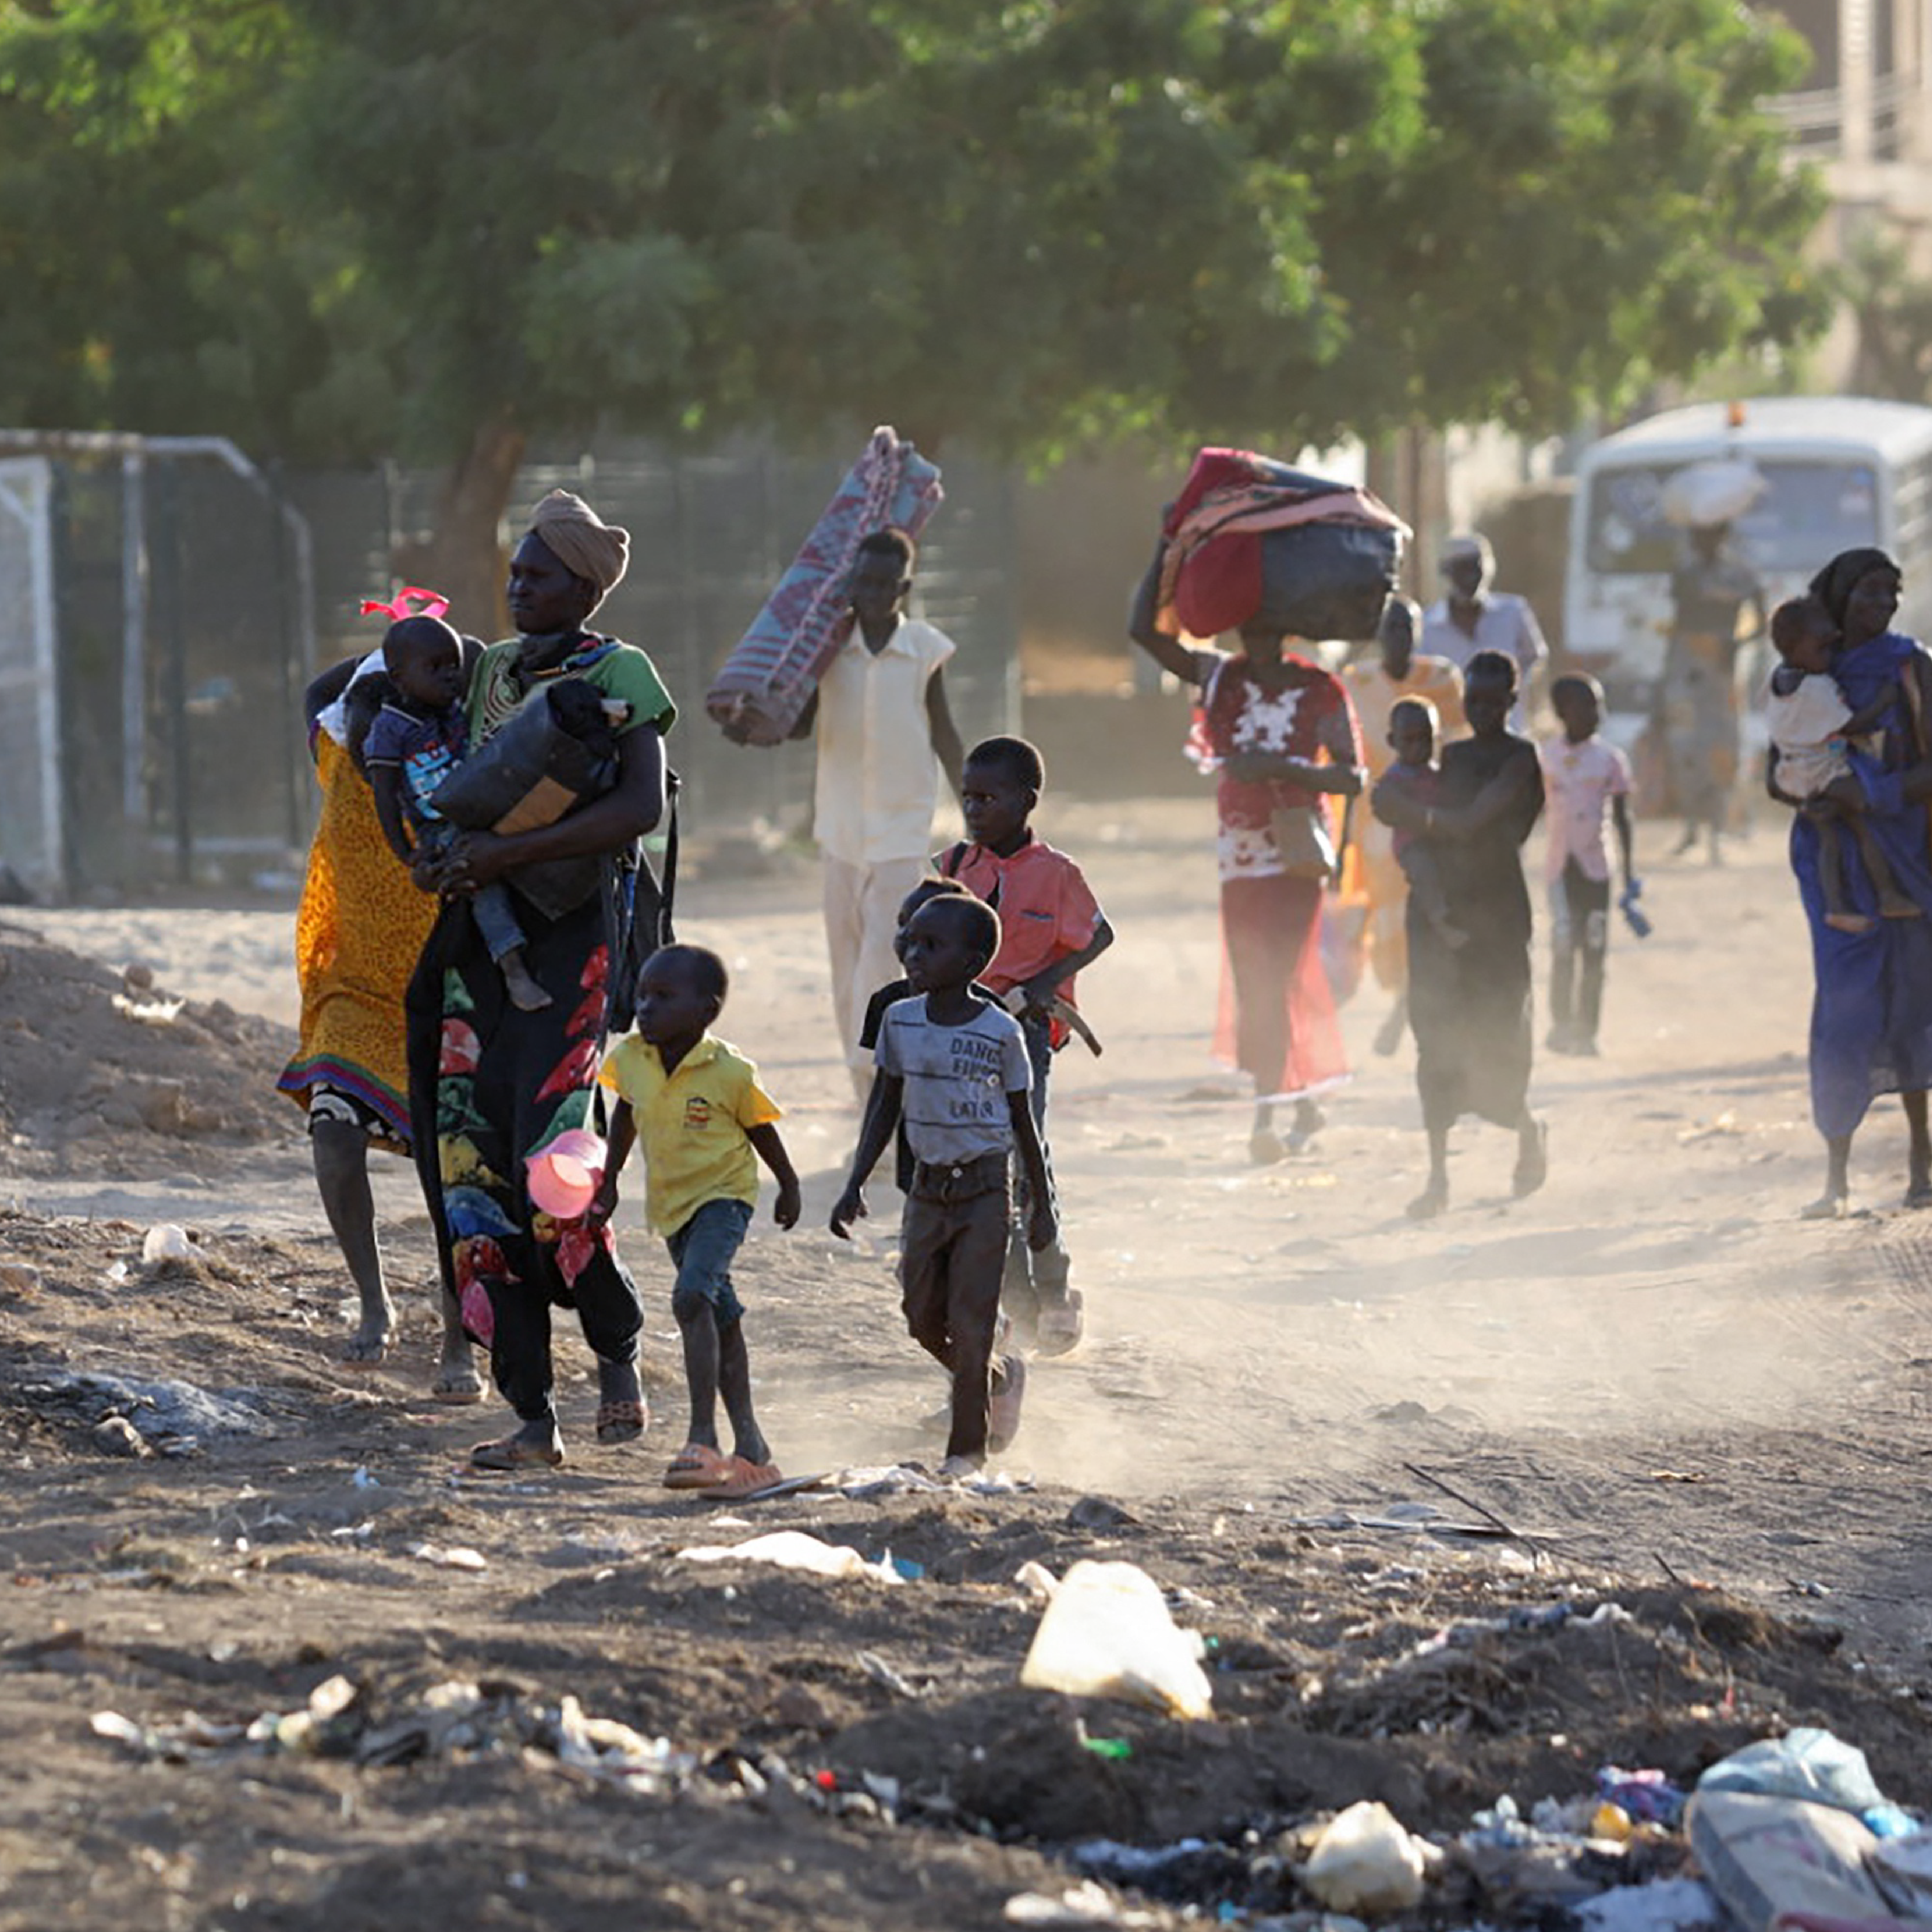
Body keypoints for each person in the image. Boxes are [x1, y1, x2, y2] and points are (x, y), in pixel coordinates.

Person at [407, 489, 675, 1472]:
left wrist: (506, 857)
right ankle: (531, 1412)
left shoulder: (621, 671)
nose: (518, 587)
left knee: (555, 1171)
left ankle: (616, 1349)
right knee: (472, 1174)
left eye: (538, 575)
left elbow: (638, 807)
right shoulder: (486, 672)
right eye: (514, 573)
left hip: (572, 942)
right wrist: (452, 859)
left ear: (584, 584)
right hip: (478, 950)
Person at [279, 630, 480, 1393]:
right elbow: (315, 694)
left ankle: (460, 1338)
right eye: (363, 725)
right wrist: (389, 645)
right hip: (355, 990)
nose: (372, 748)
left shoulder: (447, 765)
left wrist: (445, 644)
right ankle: (375, 1304)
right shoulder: (337, 754)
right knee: (332, 1134)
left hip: (446, 990)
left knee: (449, 1177)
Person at [1128, 599, 1363, 1166]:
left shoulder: (1319, 689)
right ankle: (1301, 1098)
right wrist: (1170, 543)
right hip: (1240, 853)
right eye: (1246, 628)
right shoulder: (1221, 678)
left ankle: (1267, 1110)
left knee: (1274, 973)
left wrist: (1284, 769)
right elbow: (1145, 635)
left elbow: (1352, 774)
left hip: (1296, 852)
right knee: (1255, 974)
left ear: (1286, 629)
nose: (1254, 639)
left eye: (1265, 628)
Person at [830, 893, 1054, 1476]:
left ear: (973, 961)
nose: (913, 954)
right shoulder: (899, 1019)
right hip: (927, 1190)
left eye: (931, 945)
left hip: (985, 1190)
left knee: (972, 1319)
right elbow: (885, 1103)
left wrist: (1041, 1204)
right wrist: (855, 1182)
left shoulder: (1000, 1032)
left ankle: (965, 1453)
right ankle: (996, 1377)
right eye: (910, 942)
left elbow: (1022, 1120)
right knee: (920, 1315)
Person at [593, 944, 801, 1499]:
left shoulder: (730, 1070)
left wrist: (789, 1183)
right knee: (720, 1316)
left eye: (663, 997)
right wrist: (610, 1180)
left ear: (706, 1011)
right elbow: (627, 1115)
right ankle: (752, 1446)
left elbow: (761, 1129)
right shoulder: (632, 1058)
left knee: (691, 1299)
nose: (645, 1008)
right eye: (642, 995)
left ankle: (701, 1437)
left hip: (724, 1198)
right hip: (672, 1208)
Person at [1770, 548, 1932, 1216]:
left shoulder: (1911, 666)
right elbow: (1775, 774)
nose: (1883, 606)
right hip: (1835, 867)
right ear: (1839, 598)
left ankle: (1922, 1163)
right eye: (1869, 593)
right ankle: (1836, 1176)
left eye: (1892, 593)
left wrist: (1878, 795)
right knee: (1844, 1008)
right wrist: (1820, 799)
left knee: (1914, 1007)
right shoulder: (1807, 668)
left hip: (1911, 861)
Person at [940, 735, 1113, 1355]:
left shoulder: (1057, 874)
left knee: (1024, 1157)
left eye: (989, 797)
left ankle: (1054, 1287)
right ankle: (1013, 1300)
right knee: (980, 1164)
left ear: (1027, 801)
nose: (974, 809)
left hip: (1025, 1035)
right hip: (960, 1034)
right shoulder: (954, 868)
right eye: (967, 797)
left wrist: (1038, 989)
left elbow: (1099, 935)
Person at [791, 526, 965, 1102]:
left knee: (880, 960)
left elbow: (943, 732)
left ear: (904, 588)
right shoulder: (828, 648)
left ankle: (881, 1076)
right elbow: (796, 723)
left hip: (902, 829)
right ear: (849, 583)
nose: (870, 593)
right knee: (845, 963)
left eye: (884, 584)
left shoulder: (924, 650)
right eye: (862, 581)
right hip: (840, 829)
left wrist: (975, 811)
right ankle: (863, 1086)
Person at [1373, 649, 1546, 1219]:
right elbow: (1398, 801)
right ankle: (1438, 1177)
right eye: (1474, 701)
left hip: (1497, 914)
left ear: (1513, 701)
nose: (1484, 710)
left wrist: (1411, 816)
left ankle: (1525, 1128)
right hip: (1441, 916)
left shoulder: (1522, 758)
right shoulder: (1453, 756)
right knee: (1438, 1040)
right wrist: (1397, 808)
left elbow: (1473, 821)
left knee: (1501, 1037)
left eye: (1495, 702)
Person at [361, 611, 551, 1013]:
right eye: (435, 668)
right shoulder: (390, 728)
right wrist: (407, 852)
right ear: (399, 678)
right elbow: (384, 795)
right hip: (441, 827)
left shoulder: (455, 710)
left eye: (454, 666)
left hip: (485, 807)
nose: (450, 676)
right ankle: (513, 966)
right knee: (480, 882)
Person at [1342, 597, 1466, 1052]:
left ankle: (1407, 1013)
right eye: (1392, 629)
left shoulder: (1441, 679)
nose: (1400, 638)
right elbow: (1344, 753)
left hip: (1430, 814)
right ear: (1379, 633)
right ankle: (1405, 1003)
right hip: (1376, 821)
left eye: (1407, 629)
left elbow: (1458, 747)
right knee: (1390, 921)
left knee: (1429, 911)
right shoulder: (1358, 682)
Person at [1765, 594, 1918, 935]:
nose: (1830, 656)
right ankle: (1888, 894)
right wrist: (1883, 703)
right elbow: (1851, 725)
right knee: (1867, 826)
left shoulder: (1778, 682)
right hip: (1824, 773)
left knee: (1830, 839)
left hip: (1792, 774)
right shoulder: (1817, 687)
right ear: (1796, 648)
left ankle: (1836, 907)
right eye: (1822, 649)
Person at [1540, 674, 1636, 1056]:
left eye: (1599, 706)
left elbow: (1623, 818)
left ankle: (1587, 1030)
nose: (1598, 714)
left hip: (1597, 869)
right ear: (1564, 713)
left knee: (1594, 949)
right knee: (1564, 945)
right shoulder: (1545, 758)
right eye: (1589, 707)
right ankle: (1561, 1026)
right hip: (1559, 869)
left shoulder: (1610, 760)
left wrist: (1629, 873)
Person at [1661, 521, 1764, 864]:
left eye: (1708, 535)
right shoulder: (1684, 572)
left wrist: (1737, 643)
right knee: (1686, 746)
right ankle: (1692, 827)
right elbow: (1679, 619)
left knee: (1724, 746)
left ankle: (1721, 829)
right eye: (1697, 535)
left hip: (1724, 667)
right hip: (1687, 665)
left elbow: (1760, 622)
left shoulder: (1740, 573)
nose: (1701, 542)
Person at [1420, 534, 1547, 727]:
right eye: (1462, 569)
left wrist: (1508, 691)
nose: (1470, 577)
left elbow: (1534, 658)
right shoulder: (1427, 625)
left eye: (1476, 568)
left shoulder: (1513, 612)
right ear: (1447, 572)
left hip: (1507, 730)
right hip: (1452, 733)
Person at [1376, 699, 1466, 954]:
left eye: (1426, 739)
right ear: (1393, 741)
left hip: (1437, 842)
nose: (1418, 747)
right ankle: (1442, 921)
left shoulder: (1437, 772)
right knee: (1424, 871)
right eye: (1410, 740)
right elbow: (1385, 801)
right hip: (1411, 844)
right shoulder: (1396, 778)